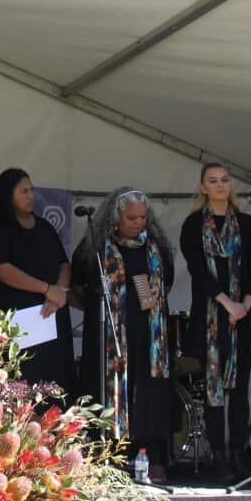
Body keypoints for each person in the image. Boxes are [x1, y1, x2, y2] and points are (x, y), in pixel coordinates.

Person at [71, 187, 174, 480]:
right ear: (116, 217)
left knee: (149, 395)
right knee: (111, 390)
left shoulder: (156, 248)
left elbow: (168, 281)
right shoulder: (96, 247)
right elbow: (77, 287)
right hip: (109, 336)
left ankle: (151, 456)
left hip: (149, 337)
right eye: (131, 218)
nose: (138, 222)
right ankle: (110, 454)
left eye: (142, 217)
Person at [179, 162, 251, 477]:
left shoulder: (246, 223)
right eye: (213, 181)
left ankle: (239, 452)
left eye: (225, 180)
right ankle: (218, 455)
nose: (220, 185)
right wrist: (228, 304)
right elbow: (198, 271)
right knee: (213, 390)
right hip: (211, 317)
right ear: (203, 188)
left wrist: (246, 304)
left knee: (239, 390)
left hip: (243, 317)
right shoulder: (192, 225)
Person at [0, 168, 75, 395]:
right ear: (8, 194)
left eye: (31, 190)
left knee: (53, 384)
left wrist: (59, 292)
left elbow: (63, 263)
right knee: (19, 385)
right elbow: (1, 269)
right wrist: (46, 289)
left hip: (50, 320)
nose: (30, 196)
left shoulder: (45, 228)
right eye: (23, 191)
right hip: (16, 323)